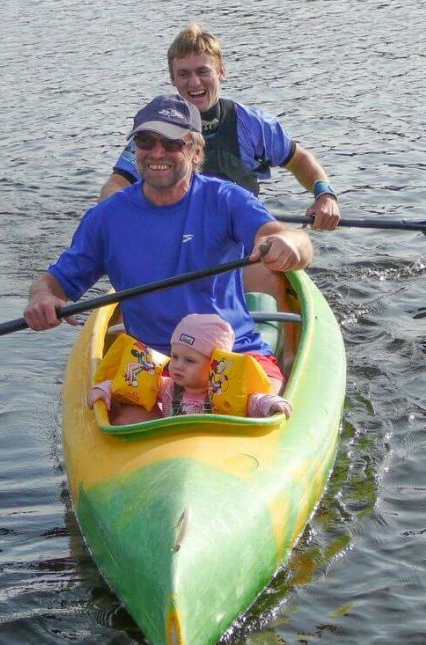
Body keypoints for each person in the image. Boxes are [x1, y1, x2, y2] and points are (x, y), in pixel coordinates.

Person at [23, 93, 313, 424]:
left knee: (259, 417)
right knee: (127, 425)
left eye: (172, 143)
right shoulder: (107, 217)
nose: (157, 152)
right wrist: (43, 297)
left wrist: (288, 244)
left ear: (196, 151)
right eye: (146, 141)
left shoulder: (226, 199)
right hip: (150, 363)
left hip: (235, 357)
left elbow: (294, 240)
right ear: (136, 151)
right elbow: (54, 282)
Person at [97, 22, 339, 329]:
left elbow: (299, 160)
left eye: (203, 71)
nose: (193, 82)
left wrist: (324, 194)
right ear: (173, 80)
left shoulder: (251, 124)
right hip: (175, 240)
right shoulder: (153, 134)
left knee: (265, 271)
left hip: (239, 240)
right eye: (183, 74)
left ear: (220, 72)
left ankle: (285, 358)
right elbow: (116, 185)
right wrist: (118, 213)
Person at [87, 313, 292, 419]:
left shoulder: (224, 391)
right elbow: (125, 383)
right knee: (126, 418)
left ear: (213, 364)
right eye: (174, 357)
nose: (177, 366)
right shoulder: (166, 387)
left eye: (189, 361)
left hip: (209, 452)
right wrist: (103, 389)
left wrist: (272, 403)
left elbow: (254, 401)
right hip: (171, 449)